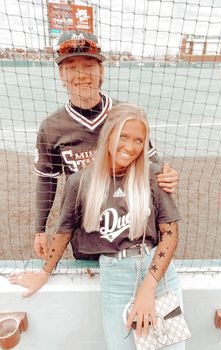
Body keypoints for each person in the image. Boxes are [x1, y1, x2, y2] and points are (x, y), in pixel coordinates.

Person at [10, 103, 184, 350]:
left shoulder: (152, 176)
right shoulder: (79, 182)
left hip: (158, 275)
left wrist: (148, 288)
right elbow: (63, 232)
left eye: (138, 140)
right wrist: (44, 272)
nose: (130, 147)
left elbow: (170, 234)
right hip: (114, 276)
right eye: (123, 136)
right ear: (108, 134)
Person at [33, 30, 179, 260]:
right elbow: (46, 180)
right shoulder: (52, 127)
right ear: (61, 75)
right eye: (71, 67)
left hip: (134, 230)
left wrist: (166, 174)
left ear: (102, 71)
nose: (81, 74)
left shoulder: (125, 115)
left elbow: (151, 163)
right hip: (87, 234)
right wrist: (39, 229)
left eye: (89, 66)